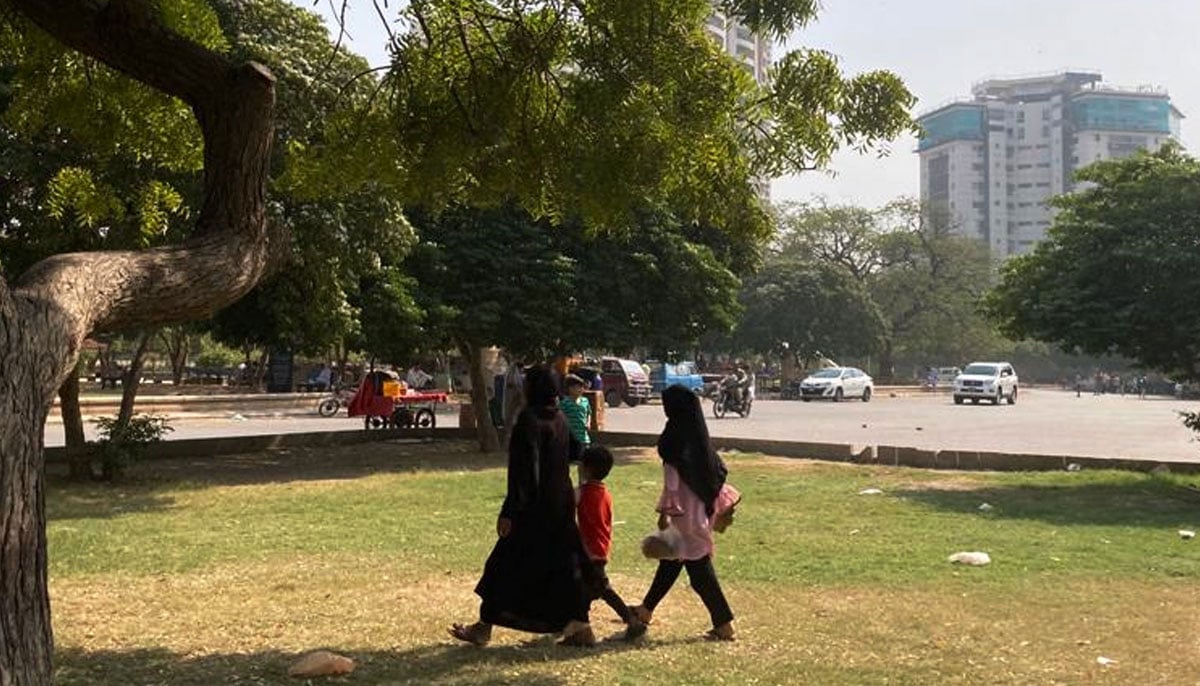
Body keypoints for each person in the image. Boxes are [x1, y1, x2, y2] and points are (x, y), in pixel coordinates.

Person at [449, 366, 600, 647]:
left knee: (503, 566)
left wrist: (510, 511)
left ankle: (484, 627)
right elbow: (577, 452)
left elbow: (524, 472)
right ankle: (580, 627)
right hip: (560, 504)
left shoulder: (529, 421)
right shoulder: (560, 419)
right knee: (564, 567)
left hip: (535, 509)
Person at [629, 384, 735, 641]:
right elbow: (718, 473)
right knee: (672, 560)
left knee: (698, 571)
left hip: (683, 515)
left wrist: (664, 512)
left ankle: (724, 624)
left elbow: (672, 483)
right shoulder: (700, 438)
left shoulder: (672, 439)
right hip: (700, 512)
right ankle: (645, 610)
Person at [576, 445, 647, 640]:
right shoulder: (604, 493)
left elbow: (567, 502)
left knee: (602, 588)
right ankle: (575, 624)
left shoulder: (583, 492)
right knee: (584, 589)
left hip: (589, 551)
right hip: (600, 548)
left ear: (587, 468)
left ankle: (631, 621)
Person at [560, 374, 591, 463]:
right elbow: (560, 415)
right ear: (570, 389)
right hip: (571, 437)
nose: (581, 389)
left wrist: (588, 423)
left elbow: (588, 413)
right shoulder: (565, 402)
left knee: (584, 461)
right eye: (578, 387)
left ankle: (583, 477)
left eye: (582, 387)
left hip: (584, 437)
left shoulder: (585, 401)